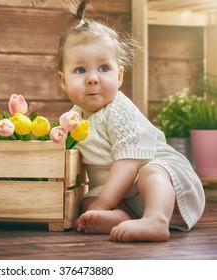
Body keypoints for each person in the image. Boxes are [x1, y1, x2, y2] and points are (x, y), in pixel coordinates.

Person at [54, 0, 205, 242]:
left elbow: (128, 164)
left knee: (150, 172)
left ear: (120, 75)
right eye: (80, 70)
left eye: (103, 68)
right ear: (63, 81)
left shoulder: (119, 109)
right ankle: (122, 218)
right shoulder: (74, 118)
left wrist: (103, 203)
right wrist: (96, 204)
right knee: (87, 201)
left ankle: (157, 220)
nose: (93, 78)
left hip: (170, 189)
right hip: (128, 196)